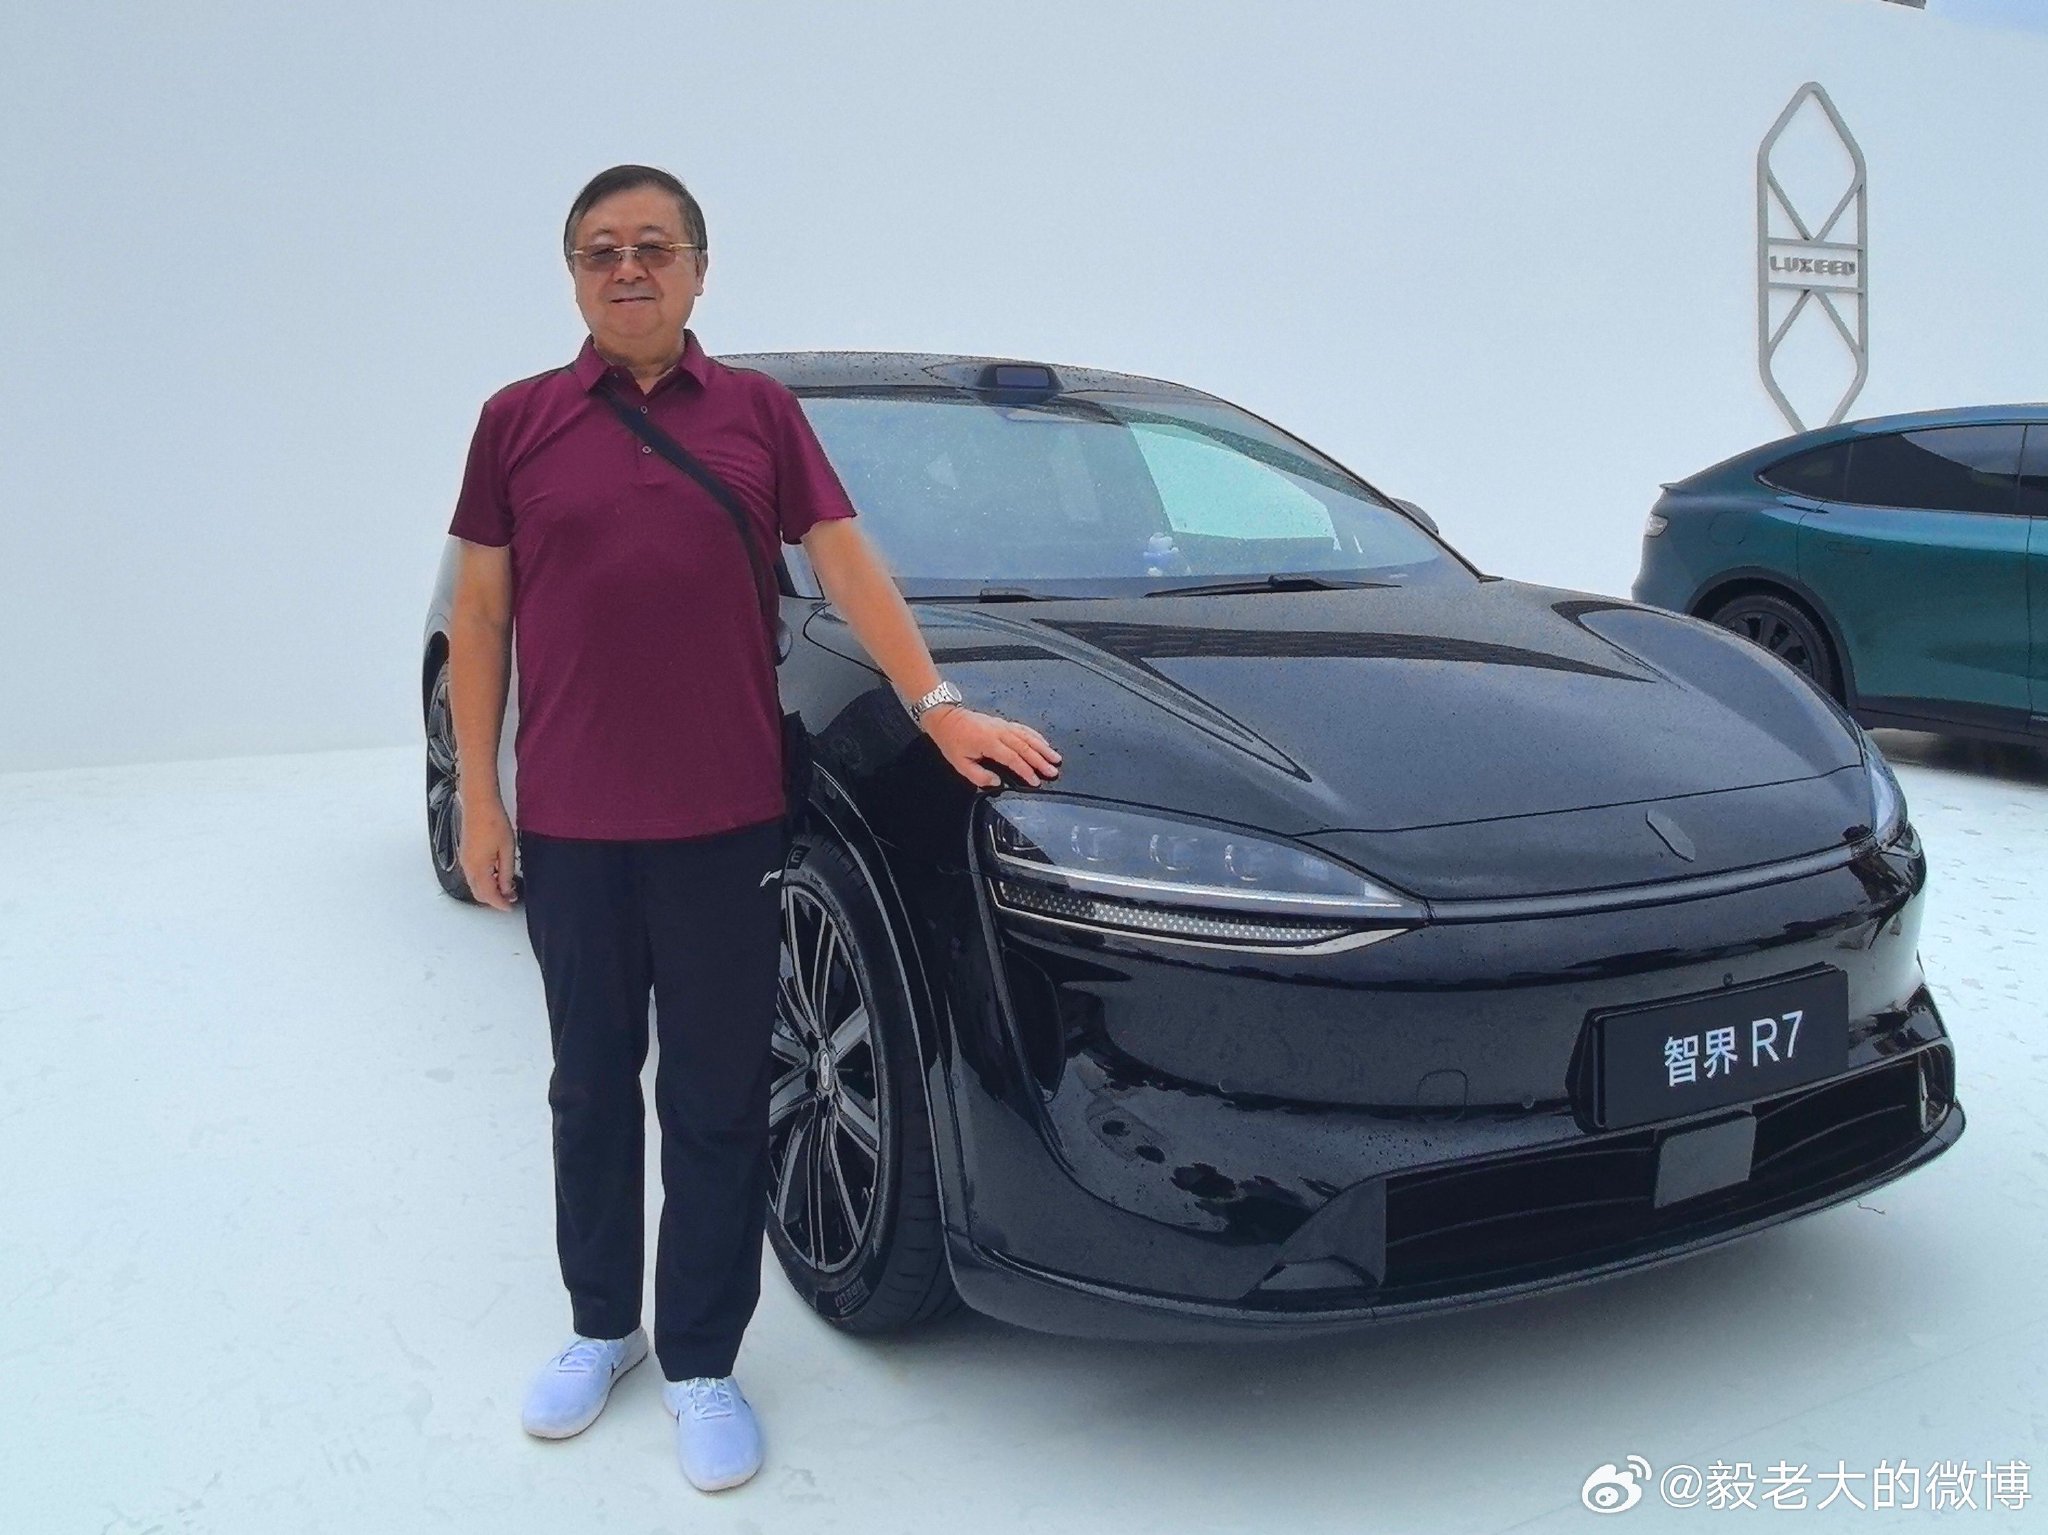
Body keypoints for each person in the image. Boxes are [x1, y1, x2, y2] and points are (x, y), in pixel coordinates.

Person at [443, 163, 1061, 1493]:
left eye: (653, 246)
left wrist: (939, 705)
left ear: (698, 269)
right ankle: (602, 1328)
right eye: (602, 249)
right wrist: (484, 800)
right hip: (575, 826)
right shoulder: (516, 422)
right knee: (589, 1088)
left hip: (725, 819)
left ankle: (702, 1359)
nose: (629, 268)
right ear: (574, 275)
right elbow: (481, 615)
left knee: (719, 1096)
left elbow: (845, 562)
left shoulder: (760, 416)